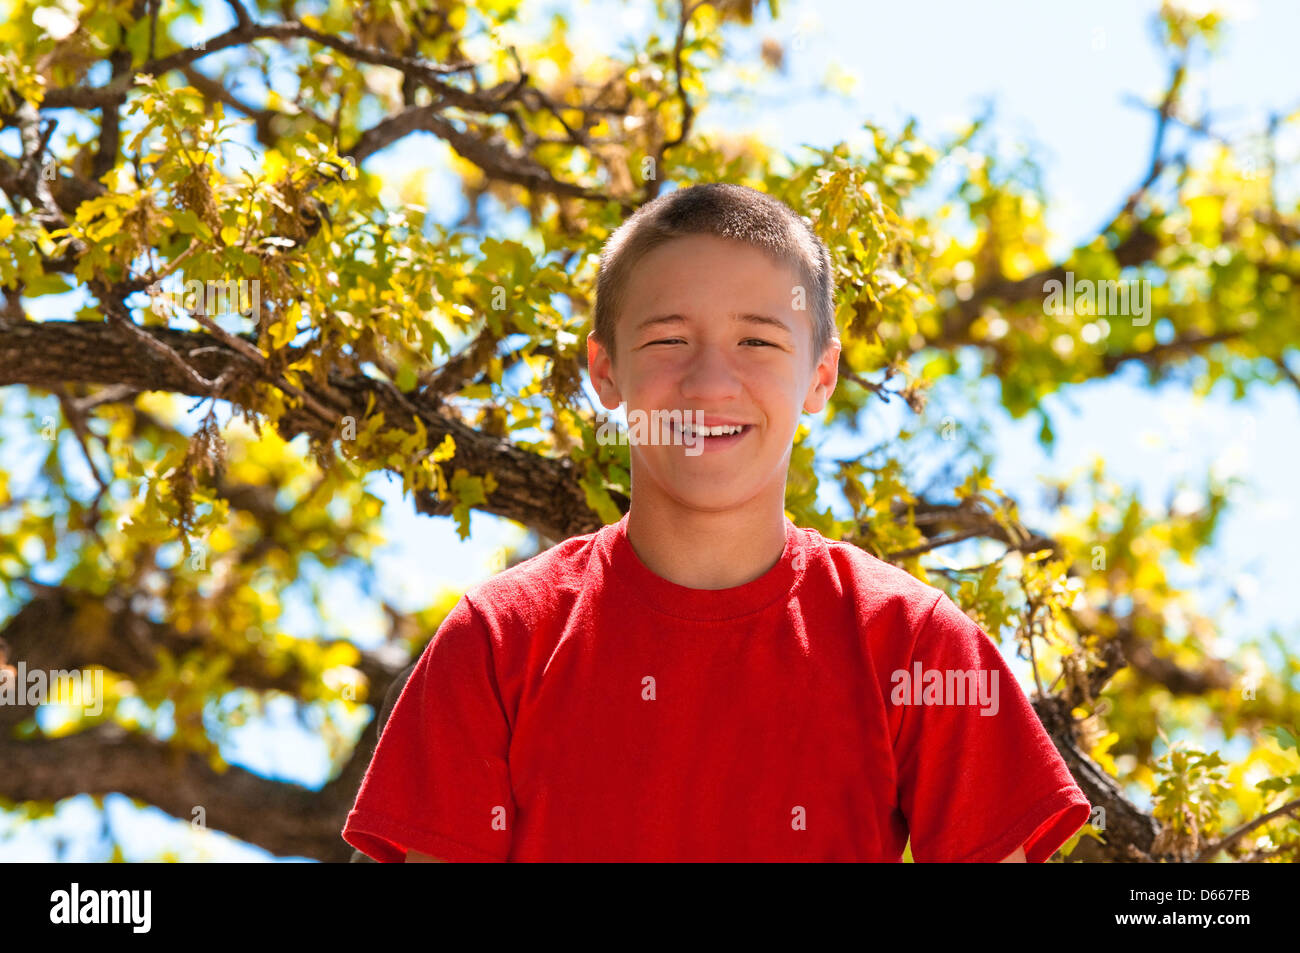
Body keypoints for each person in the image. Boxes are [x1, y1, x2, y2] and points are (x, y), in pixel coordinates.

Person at [341, 182, 1090, 862]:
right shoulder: (498, 639)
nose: (708, 382)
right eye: (668, 339)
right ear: (604, 372)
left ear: (821, 375)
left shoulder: (914, 638)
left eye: (758, 341)